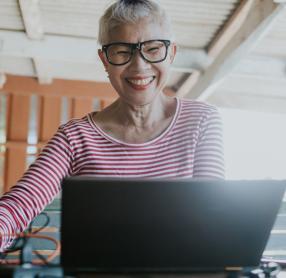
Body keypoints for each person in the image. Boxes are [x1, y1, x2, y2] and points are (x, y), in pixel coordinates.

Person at [0, 0, 224, 251]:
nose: (139, 65)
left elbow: (211, 216)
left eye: (152, 49)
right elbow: (20, 205)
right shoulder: (75, 137)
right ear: (105, 60)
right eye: (121, 51)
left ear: (171, 53)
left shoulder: (201, 121)